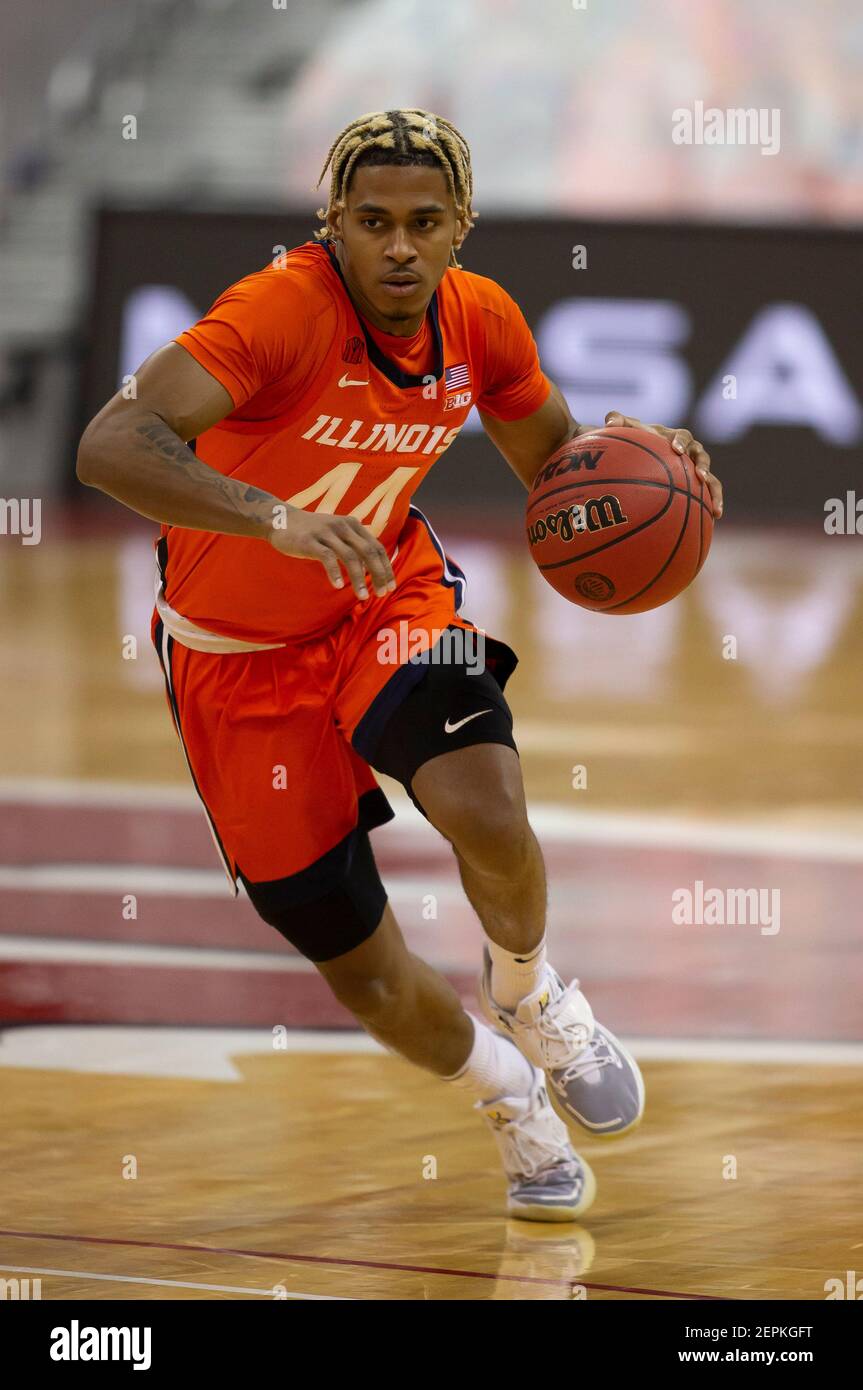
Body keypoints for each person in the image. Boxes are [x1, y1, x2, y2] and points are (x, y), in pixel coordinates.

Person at [78, 108, 723, 1222]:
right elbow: (111, 443)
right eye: (371, 221)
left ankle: (529, 992)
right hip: (232, 663)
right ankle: (508, 1097)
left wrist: (649, 465)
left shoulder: (483, 323)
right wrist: (269, 517)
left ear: (460, 226)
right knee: (371, 979)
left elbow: (560, 482)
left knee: (489, 801)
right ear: (331, 221)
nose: (398, 247)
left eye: (425, 222)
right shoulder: (281, 309)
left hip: (385, 594)